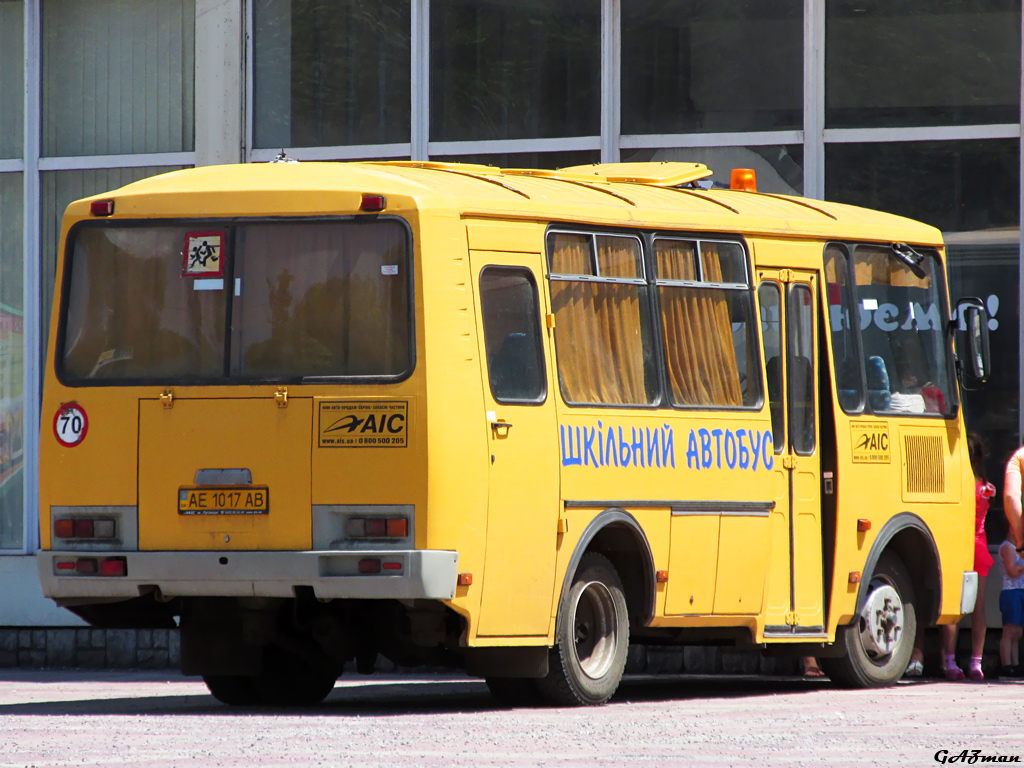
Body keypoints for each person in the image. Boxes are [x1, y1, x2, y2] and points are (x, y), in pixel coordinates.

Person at [906, 432, 994, 680]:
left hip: (958, 546)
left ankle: (950, 661)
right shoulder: (986, 488)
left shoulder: (954, 485)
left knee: (954, 607)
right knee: (978, 609)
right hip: (980, 546)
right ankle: (976, 662)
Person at [996, 533, 1024, 677]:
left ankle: (1015, 664)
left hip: (1021, 591)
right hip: (1011, 592)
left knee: (1018, 632)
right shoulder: (1008, 547)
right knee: (1009, 631)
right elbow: (1012, 571)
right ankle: (1006, 665)